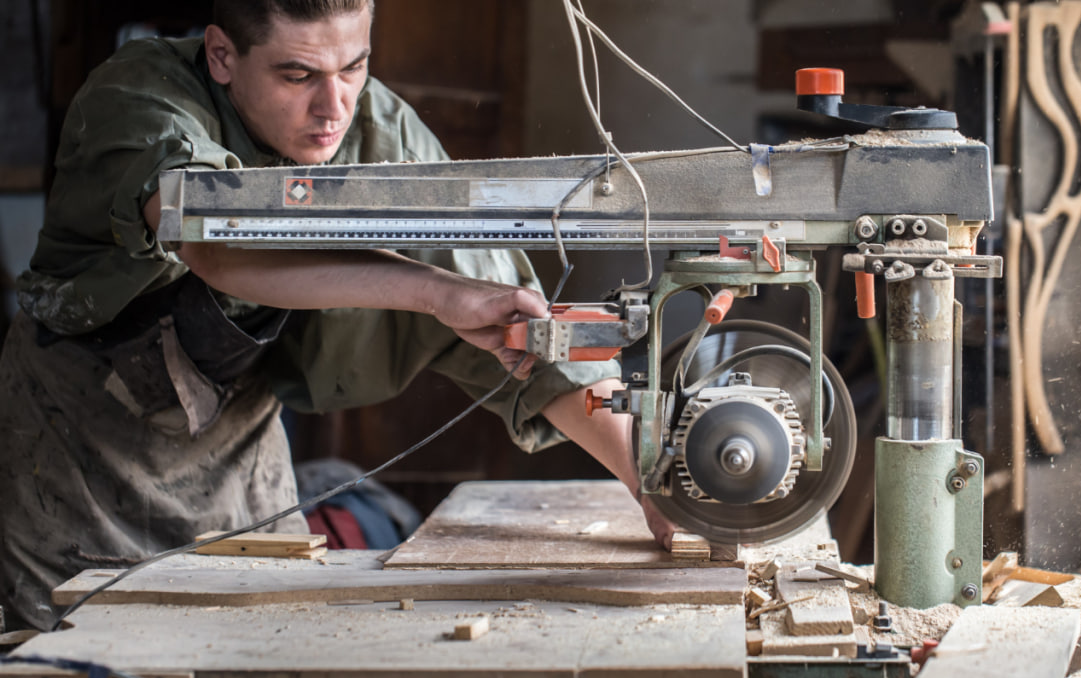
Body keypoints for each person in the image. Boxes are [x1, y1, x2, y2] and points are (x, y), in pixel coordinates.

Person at [0, 0, 673, 632]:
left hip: (236, 440)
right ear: (222, 56)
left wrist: (655, 481)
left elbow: (518, 318)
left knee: (253, 671)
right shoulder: (140, 99)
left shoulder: (381, 132)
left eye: (354, 67)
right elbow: (217, 248)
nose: (334, 107)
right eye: (298, 75)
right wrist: (434, 292)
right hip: (76, 447)